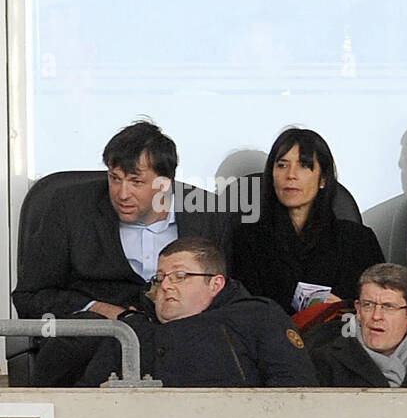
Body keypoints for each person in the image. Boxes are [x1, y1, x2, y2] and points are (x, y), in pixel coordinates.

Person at [13, 120, 233, 320]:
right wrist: (97, 309)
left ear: (165, 184)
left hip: (184, 344)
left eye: (136, 182)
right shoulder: (68, 209)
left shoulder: (210, 216)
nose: (122, 194)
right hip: (92, 344)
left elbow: (228, 296)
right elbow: (30, 297)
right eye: (115, 178)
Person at [77, 237, 318, 387]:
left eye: (180, 276)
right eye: (160, 278)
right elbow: (89, 395)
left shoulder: (257, 316)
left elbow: (295, 389)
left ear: (216, 284)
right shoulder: (134, 333)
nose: (166, 285)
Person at [230, 128, 384, 315]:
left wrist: (346, 308)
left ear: (323, 179)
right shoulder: (246, 239)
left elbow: (381, 305)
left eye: (303, 165)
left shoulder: (358, 240)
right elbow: (241, 311)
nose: (291, 175)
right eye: (282, 165)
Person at [311, 263, 407, 388]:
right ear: (357, 310)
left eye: (388, 306)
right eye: (368, 305)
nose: (376, 316)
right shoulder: (324, 362)